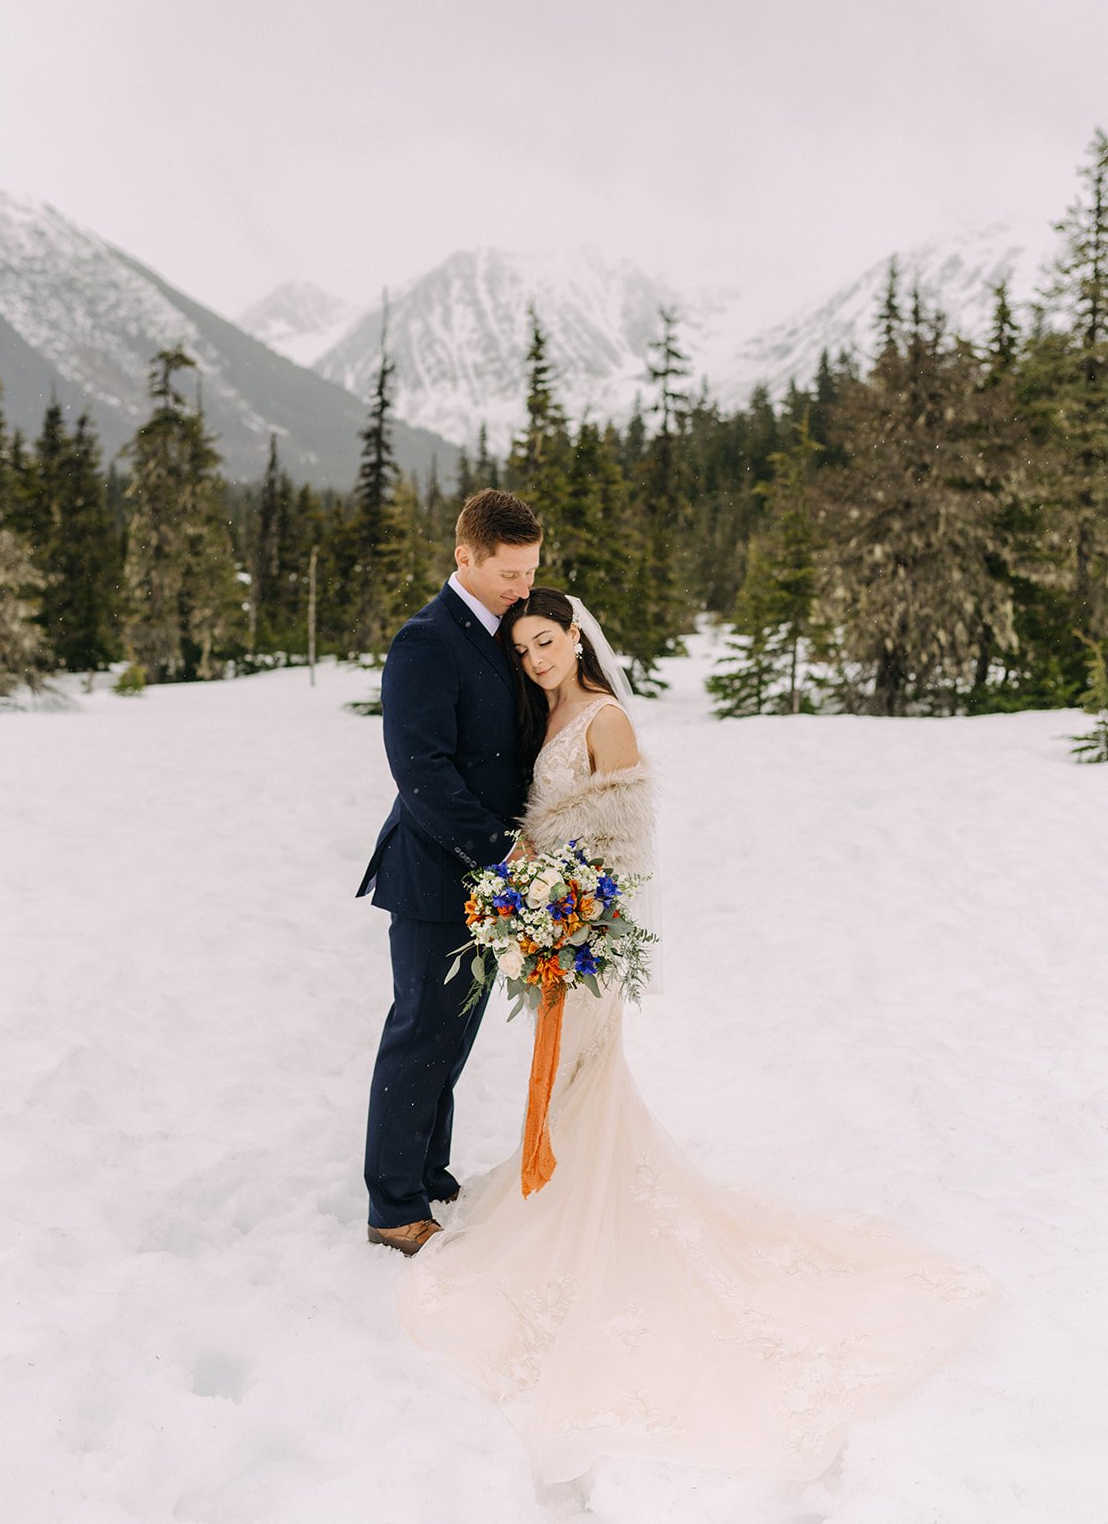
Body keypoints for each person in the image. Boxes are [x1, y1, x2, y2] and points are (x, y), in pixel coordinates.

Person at [398, 587, 992, 1488]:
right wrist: (534, 906)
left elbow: (626, 846)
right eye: (522, 649)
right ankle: (554, 1185)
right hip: (552, 926)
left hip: (587, 931)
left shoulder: (603, 721)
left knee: (585, 1071)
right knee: (564, 1074)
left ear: (577, 638)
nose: (536, 660)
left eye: (547, 642)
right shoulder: (542, 713)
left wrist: (572, 914)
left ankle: (579, 1205)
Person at [358, 490, 542, 1255]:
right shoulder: (426, 642)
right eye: (508, 572)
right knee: (419, 1035)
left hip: (487, 881)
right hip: (438, 875)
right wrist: (500, 852)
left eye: (531, 570)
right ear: (464, 556)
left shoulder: (506, 632)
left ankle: (428, 1173)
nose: (523, 587)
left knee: (451, 1040)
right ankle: (394, 1205)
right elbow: (421, 772)